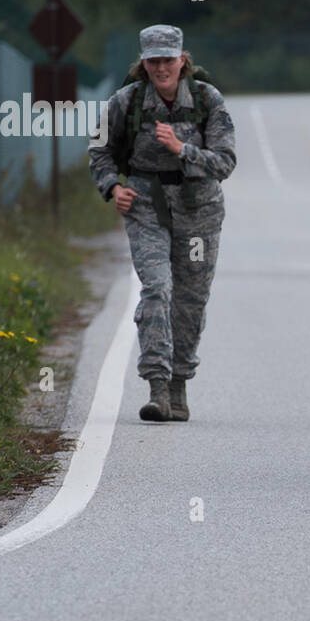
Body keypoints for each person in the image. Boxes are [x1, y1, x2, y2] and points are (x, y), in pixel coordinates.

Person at [88, 25, 237, 422]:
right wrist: (110, 188)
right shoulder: (126, 102)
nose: (161, 67)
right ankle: (156, 386)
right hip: (146, 207)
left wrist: (182, 149)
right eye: (154, 60)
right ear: (144, 62)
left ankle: (178, 385)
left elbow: (225, 162)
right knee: (157, 288)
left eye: (168, 59)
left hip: (199, 212)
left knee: (190, 302)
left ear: (182, 59)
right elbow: (99, 151)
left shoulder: (207, 99)